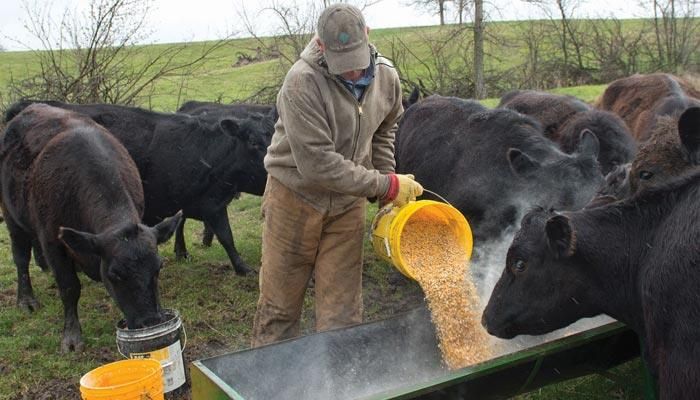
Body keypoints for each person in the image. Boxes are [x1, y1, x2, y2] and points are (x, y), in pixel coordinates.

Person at [251, 3, 423, 347]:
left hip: (347, 205)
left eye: (357, 64)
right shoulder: (301, 83)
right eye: (342, 66)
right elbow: (318, 164)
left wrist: (385, 180)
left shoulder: (387, 77)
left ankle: (336, 387)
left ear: (368, 37)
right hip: (295, 200)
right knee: (279, 309)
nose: (352, 75)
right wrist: (385, 185)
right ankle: (269, 385)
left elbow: (387, 127)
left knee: (342, 313)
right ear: (321, 46)